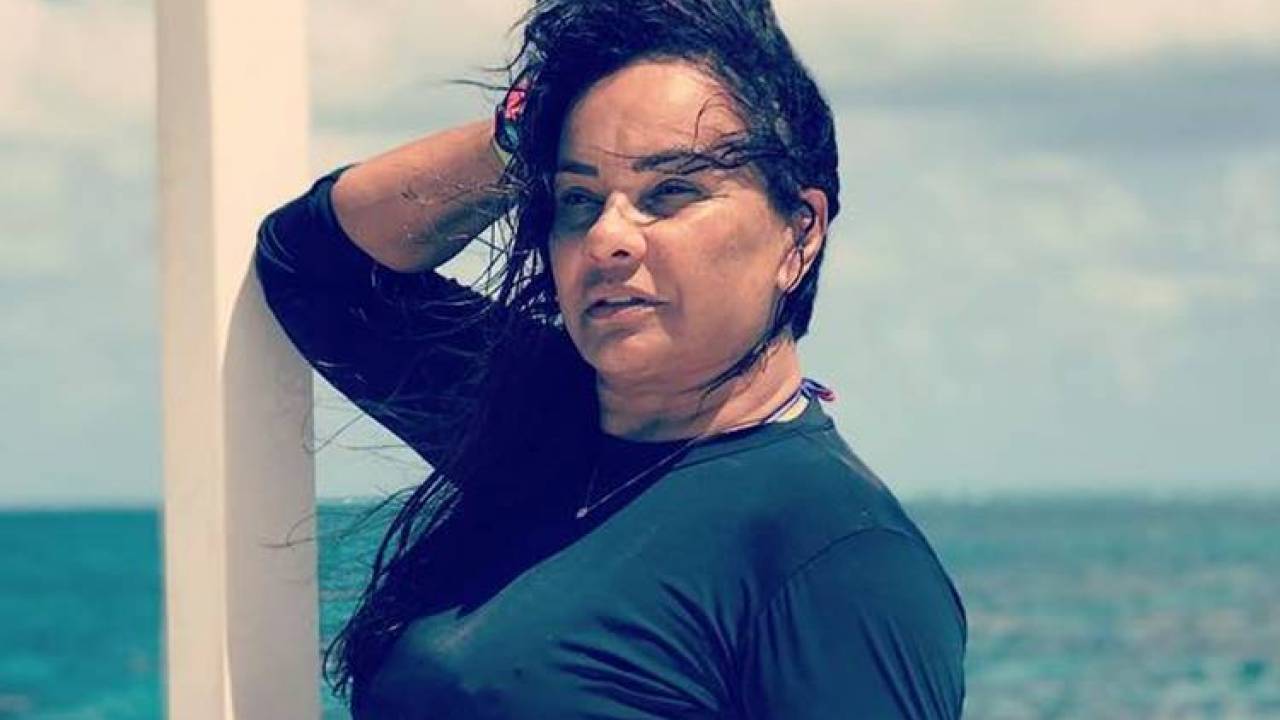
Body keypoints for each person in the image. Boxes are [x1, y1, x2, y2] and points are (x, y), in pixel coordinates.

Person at [255, 0, 967, 717]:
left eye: (671, 191)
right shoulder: (535, 422)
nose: (607, 238)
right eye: (578, 198)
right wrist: (520, 133)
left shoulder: (839, 553)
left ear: (800, 233)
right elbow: (314, 266)